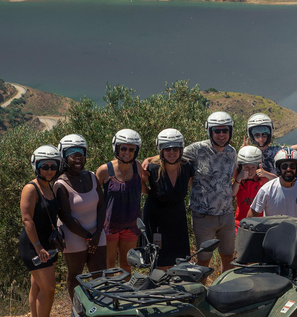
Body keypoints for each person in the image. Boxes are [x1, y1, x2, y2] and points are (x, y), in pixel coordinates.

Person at [144, 112, 237, 272]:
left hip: (227, 214)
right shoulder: (196, 149)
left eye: (225, 130)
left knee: (228, 255)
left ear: (230, 131)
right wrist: (148, 160)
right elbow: (171, 153)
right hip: (203, 215)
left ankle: (224, 289)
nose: (221, 134)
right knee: (204, 258)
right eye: (217, 131)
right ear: (210, 131)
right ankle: (200, 291)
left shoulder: (232, 152)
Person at [19, 145, 64, 317]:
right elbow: (27, 220)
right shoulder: (31, 188)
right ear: (36, 166)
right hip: (34, 245)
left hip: (48, 243)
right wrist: (38, 247)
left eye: (53, 166)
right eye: (44, 166)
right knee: (49, 288)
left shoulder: (49, 186)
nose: (49, 170)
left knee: (37, 284)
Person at [55, 134, 106, 300]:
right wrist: (88, 237)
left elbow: (101, 205)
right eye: (72, 153)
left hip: (97, 233)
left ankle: (101, 309)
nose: (77, 157)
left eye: (81, 152)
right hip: (73, 236)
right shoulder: (60, 184)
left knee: (100, 274)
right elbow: (67, 218)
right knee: (75, 275)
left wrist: (97, 233)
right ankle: (78, 309)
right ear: (63, 156)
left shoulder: (92, 176)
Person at [142, 128, 195, 270]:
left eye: (175, 149)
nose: (172, 152)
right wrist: (149, 192)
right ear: (161, 151)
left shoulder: (187, 166)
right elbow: (139, 180)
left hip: (177, 216)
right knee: (158, 258)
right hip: (156, 217)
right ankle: (157, 287)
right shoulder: (152, 167)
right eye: (167, 149)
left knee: (177, 258)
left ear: (181, 150)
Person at [96, 129, 143, 273]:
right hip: (110, 226)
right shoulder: (104, 170)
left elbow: (142, 188)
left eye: (131, 149)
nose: (127, 153)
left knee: (127, 265)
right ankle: (110, 294)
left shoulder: (137, 166)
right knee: (108, 265)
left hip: (131, 224)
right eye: (123, 148)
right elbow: (95, 198)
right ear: (116, 148)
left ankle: (125, 294)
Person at [249, 148, 297, 219]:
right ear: (278, 168)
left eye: (292, 166)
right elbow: (251, 216)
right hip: (271, 230)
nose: (288, 169)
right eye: (284, 166)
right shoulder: (266, 190)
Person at [232, 145, 267, 229]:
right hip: (240, 223)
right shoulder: (239, 181)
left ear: (258, 168)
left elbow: (277, 181)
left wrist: (265, 173)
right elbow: (233, 193)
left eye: (253, 167)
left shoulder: (261, 180)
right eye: (246, 167)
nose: (250, 170)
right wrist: (239, 177)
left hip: (260, 222)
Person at [244, 113, 279, 180]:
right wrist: (243, 153)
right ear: (251, 136)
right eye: (257, 135)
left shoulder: (276, 150)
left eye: (264, 135)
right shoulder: (250, 154)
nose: (261, 139)